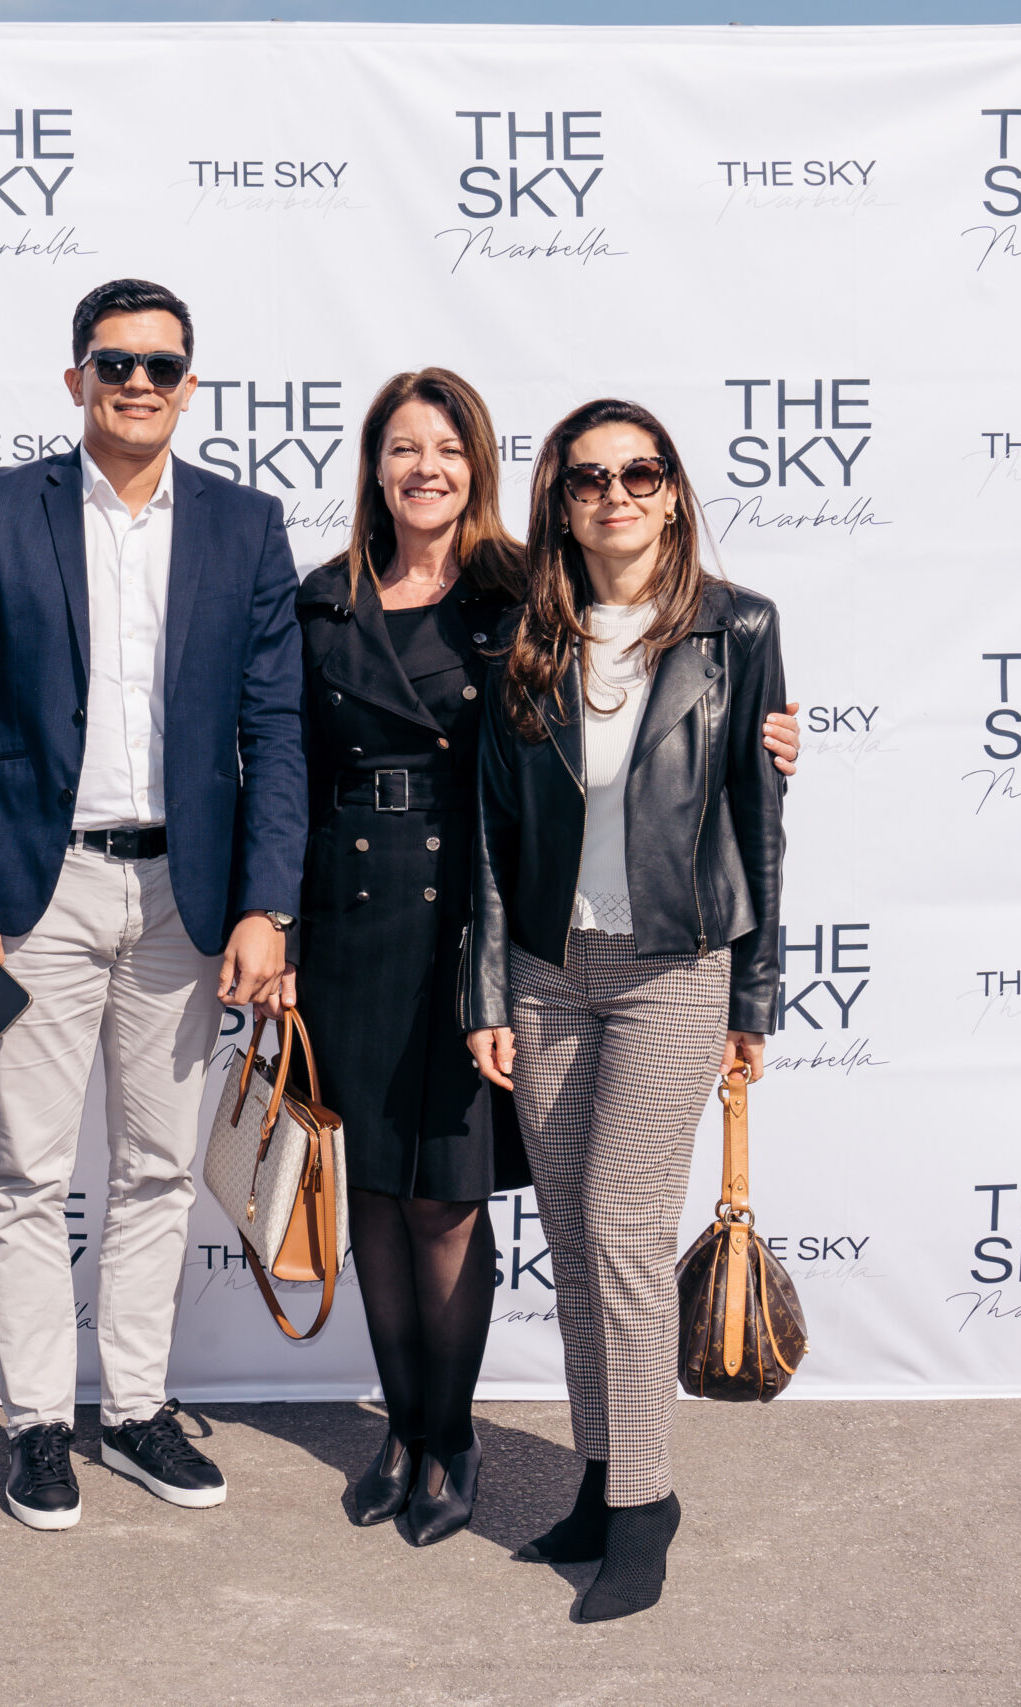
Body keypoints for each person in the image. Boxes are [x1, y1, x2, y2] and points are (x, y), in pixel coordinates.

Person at [290, 373, 801, 1548]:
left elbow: (729, 791)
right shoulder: (365, 606)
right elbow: (305, 765)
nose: (424, 468)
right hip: (424, 935)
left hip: (576, 944)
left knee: (523, 1214)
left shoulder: (552, 604)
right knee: (445, 1207)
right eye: (401, 448)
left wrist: (765, 742)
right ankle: (453, 1444)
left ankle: (569, 1478)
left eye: (446, 448)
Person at [0, 279, 305, 1532]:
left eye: (161, 365)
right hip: (36, 897)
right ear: (75, 377)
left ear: (190, 385)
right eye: (114, 362)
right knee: (26, 1171)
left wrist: (267, 905)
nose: (138, 383)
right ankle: (37, 1423)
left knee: (157, 1168)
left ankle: (134, 1410)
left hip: (185, 899)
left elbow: (275, 727)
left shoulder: (245, 525)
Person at [465, 397, 788, 1622]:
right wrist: (489, 988)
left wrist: (753, 991)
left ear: (671, 491)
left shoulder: (736, 627)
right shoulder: (524, 637)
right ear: (558, 502)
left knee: (620, 1231)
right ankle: (602, 1483)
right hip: (548, 972)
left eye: (639, 473)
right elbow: (493, 830)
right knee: (572, 1235)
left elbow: (759, 817)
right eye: (589, 478)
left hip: (672, 968)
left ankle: (646, 1506)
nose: (615, 495)